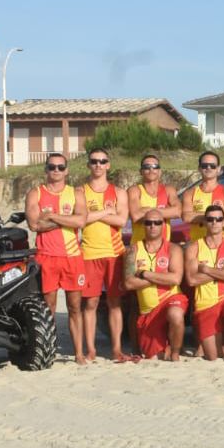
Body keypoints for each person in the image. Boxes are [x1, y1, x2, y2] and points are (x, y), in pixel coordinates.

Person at [26, 152, 86, 363]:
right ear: (46, 169)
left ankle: (79, 352)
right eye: (52, 167)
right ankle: (48, 349)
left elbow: (80, 221)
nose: (56, 171)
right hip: (47, 256)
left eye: (61, 167)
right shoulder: (36, 193)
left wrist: (51, 216)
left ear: (67, 170)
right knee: (48, 307)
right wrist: (65, 220)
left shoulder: (76, 193)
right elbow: (34, 225)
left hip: (72, 256)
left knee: (75, 307)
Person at [78, 148, 128, 362]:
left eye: (102, 161)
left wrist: (94, 216)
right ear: (88, 165)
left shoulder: (118, 192)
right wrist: (107, 212)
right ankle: (90, 349)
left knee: (115, 303)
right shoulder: (80, 191)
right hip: (89, 253)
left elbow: (121, 221)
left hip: (114, 253)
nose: (98, 165)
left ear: (108, 165)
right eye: (94, 161)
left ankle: (116, 348)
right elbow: (81, 219)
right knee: (90, 303)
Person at [184, 204, 224, 361]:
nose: (215, 222)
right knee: (212, 356)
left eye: (219, 219)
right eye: (211, 219)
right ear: (205, 222)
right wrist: (223, 273)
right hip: (206, 303)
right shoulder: (194, 247)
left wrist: (206, 270)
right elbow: (192, 280)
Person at [123, 211, 186, 361]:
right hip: (148, 310)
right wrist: (162, 276)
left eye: (157, 222)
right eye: (148, 223)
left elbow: (176, 279)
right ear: (143, 225)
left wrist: (145, 274)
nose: (153, 226)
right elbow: (129, 283)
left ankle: (176, 354)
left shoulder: (173, 249)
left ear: (163, 225)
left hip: (171, 298)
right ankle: (169, 347)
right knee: (154, 357)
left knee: (176, 314)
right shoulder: (132, 250)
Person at [128, 154, 178, 244]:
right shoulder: (134, 190)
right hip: (139, 246)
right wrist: (166, 211)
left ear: (159, 171)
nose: (151, 170)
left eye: (155, 167)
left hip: (163, 248)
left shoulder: (169, 190)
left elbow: (177, 212)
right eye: (147, 167)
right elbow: (135, 216)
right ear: (141, 171)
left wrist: (146, 210)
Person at [181, 150, 224, 230]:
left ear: (218, 169)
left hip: (220, 241)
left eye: (212, 166)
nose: (208, 168)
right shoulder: (189, 193)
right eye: (204, 165)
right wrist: (218, 216)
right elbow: (186, 217)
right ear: (199, 168)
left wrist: (198, 216)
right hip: (197, 241)